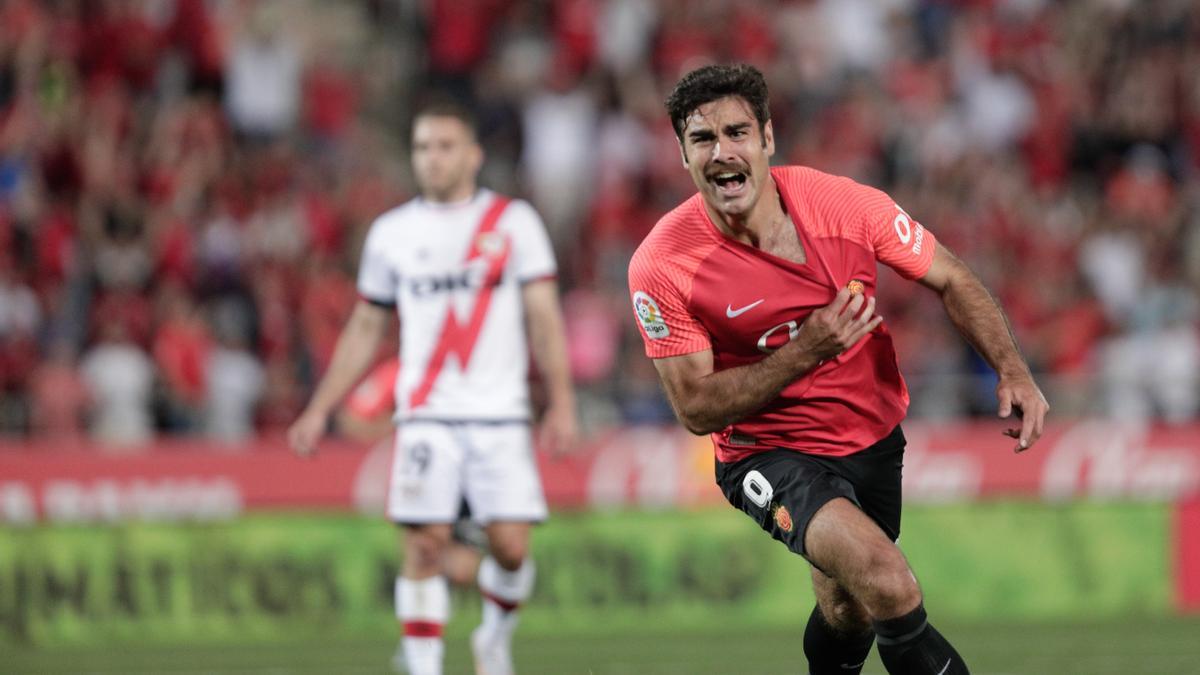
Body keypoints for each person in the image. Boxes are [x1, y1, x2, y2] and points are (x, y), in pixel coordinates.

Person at [627, 64, 1048, 675]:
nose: (722, 153)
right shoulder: (663, 264)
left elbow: (951, 277)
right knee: (889, 582)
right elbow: (695, 408)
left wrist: (1012, 369)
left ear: (767, 137)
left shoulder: (843, 206)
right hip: (766, 452)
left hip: (871, 437)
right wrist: (807, 350)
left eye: (737, 133)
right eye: (702, 139)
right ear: (682, 154)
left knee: (848, 609)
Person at [288, 100, 577, 675]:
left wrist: (563, 403)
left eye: (445, 147)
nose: (432, 158)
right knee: (424, 545)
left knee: (511, 548)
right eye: (422, 148)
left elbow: (543, 317)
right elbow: (365, 326)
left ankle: (493, 637)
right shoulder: (392, 233)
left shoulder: (513, 222)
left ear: (473, 155)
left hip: (500, 413)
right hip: (426, 416)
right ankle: (425, 666)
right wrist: (320, 407)